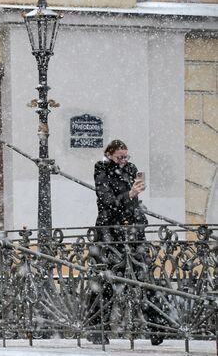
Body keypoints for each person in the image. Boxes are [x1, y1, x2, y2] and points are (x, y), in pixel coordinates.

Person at [87, 139, 164, 346]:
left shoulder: (130, 168)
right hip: (110, 233)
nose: (123, 161)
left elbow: (130, 201)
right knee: (106, 281)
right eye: (120, 157)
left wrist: (135, 196)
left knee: (144, 276)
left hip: (132, 230)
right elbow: (107, 202)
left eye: (126, 156)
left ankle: (157, 328)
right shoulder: (101, 168)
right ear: (109, 154)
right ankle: (96, 329)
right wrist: (129, 194)